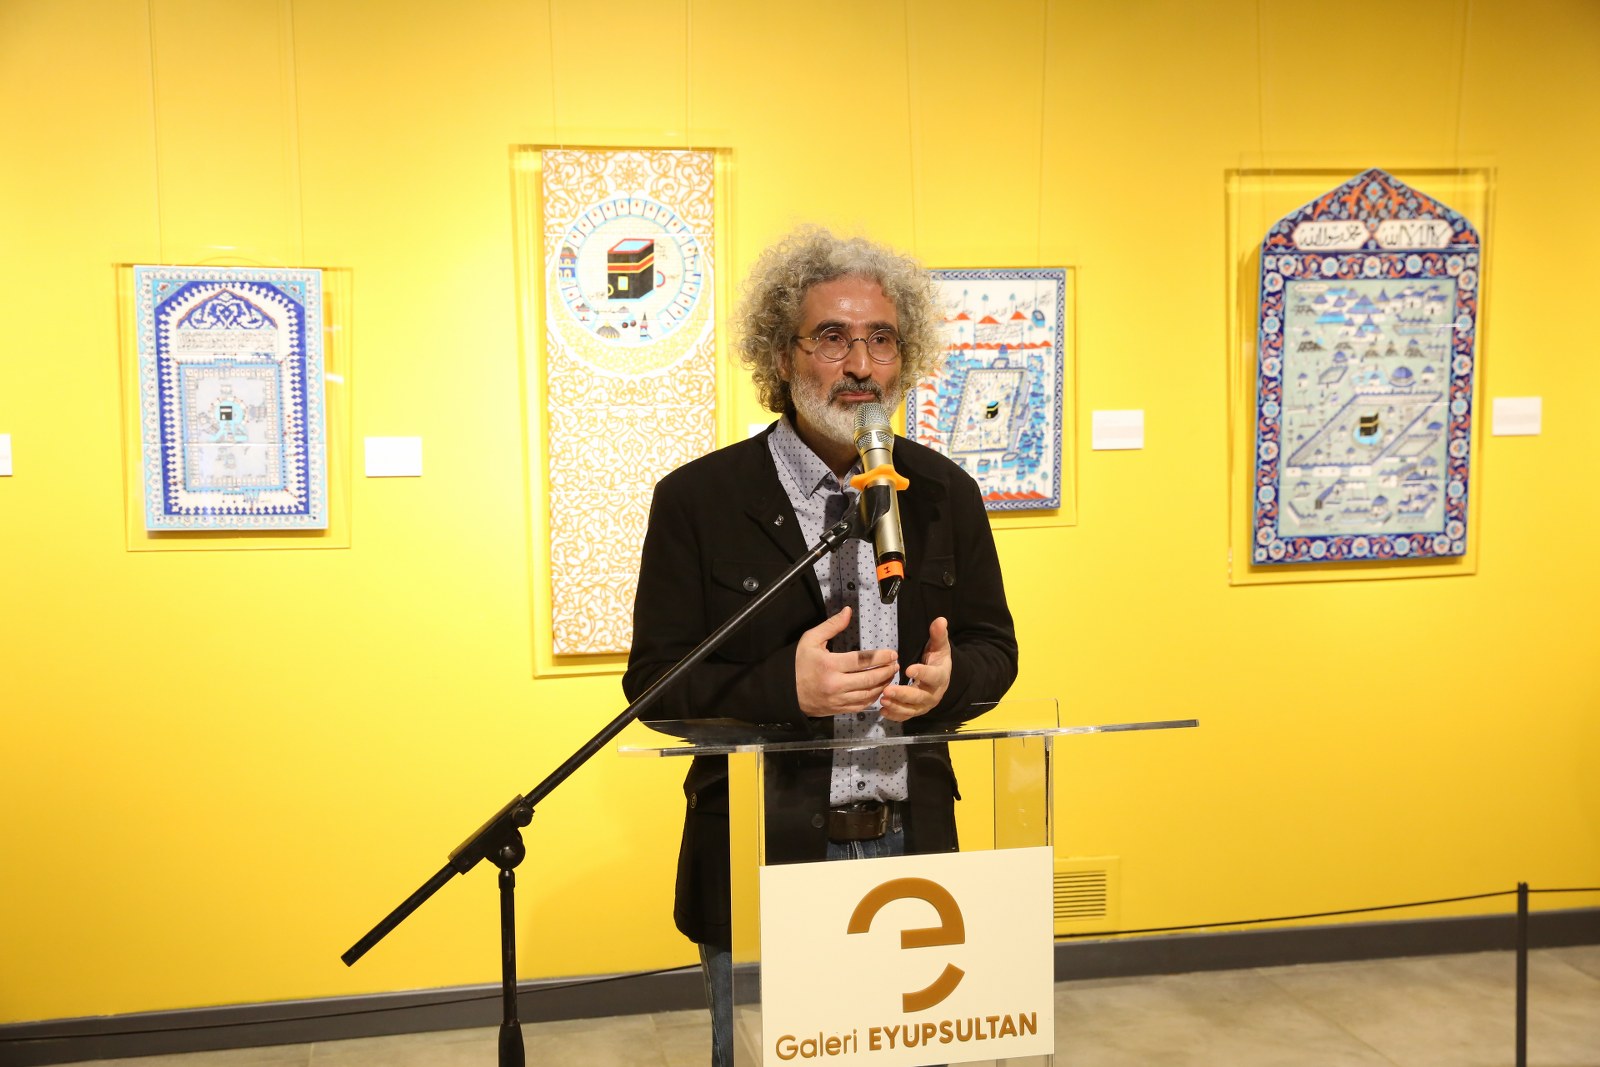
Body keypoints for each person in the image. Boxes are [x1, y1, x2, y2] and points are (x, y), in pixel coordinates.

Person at [623, 226, 1018, 1066]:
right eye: (833, 337)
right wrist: (783, 688)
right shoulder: (699, 500)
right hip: (763, 854)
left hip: (914, 848)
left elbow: (994, 647)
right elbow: (655, 686)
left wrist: (949, 682)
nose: (861, 364)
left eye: (882, 339)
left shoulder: (943, 492)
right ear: (782, 354)